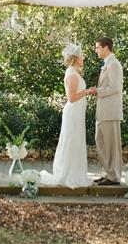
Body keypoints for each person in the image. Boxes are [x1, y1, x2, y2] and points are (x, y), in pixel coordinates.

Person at [39, 43, 97, 188]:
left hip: (78, 113)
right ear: (76, 58)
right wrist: (88, 91)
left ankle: (75, 172)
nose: (83, 58)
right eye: (81, 56)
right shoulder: (71, 74)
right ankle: (68, 174)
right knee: (71, 141)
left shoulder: (75, 72)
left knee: (76, 141)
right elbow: (71, 97)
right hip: (73, 113)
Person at [93, 36, 123, 185]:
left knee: (112, 146)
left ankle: (114, 176)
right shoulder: (107, 63)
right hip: (103, 112)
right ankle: (107, 173)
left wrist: (97, 91)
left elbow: (115, 88)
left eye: (98, 47)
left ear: (106, 47)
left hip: (111, 112)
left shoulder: (114, 64)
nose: (96, 50)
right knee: (101, 143)